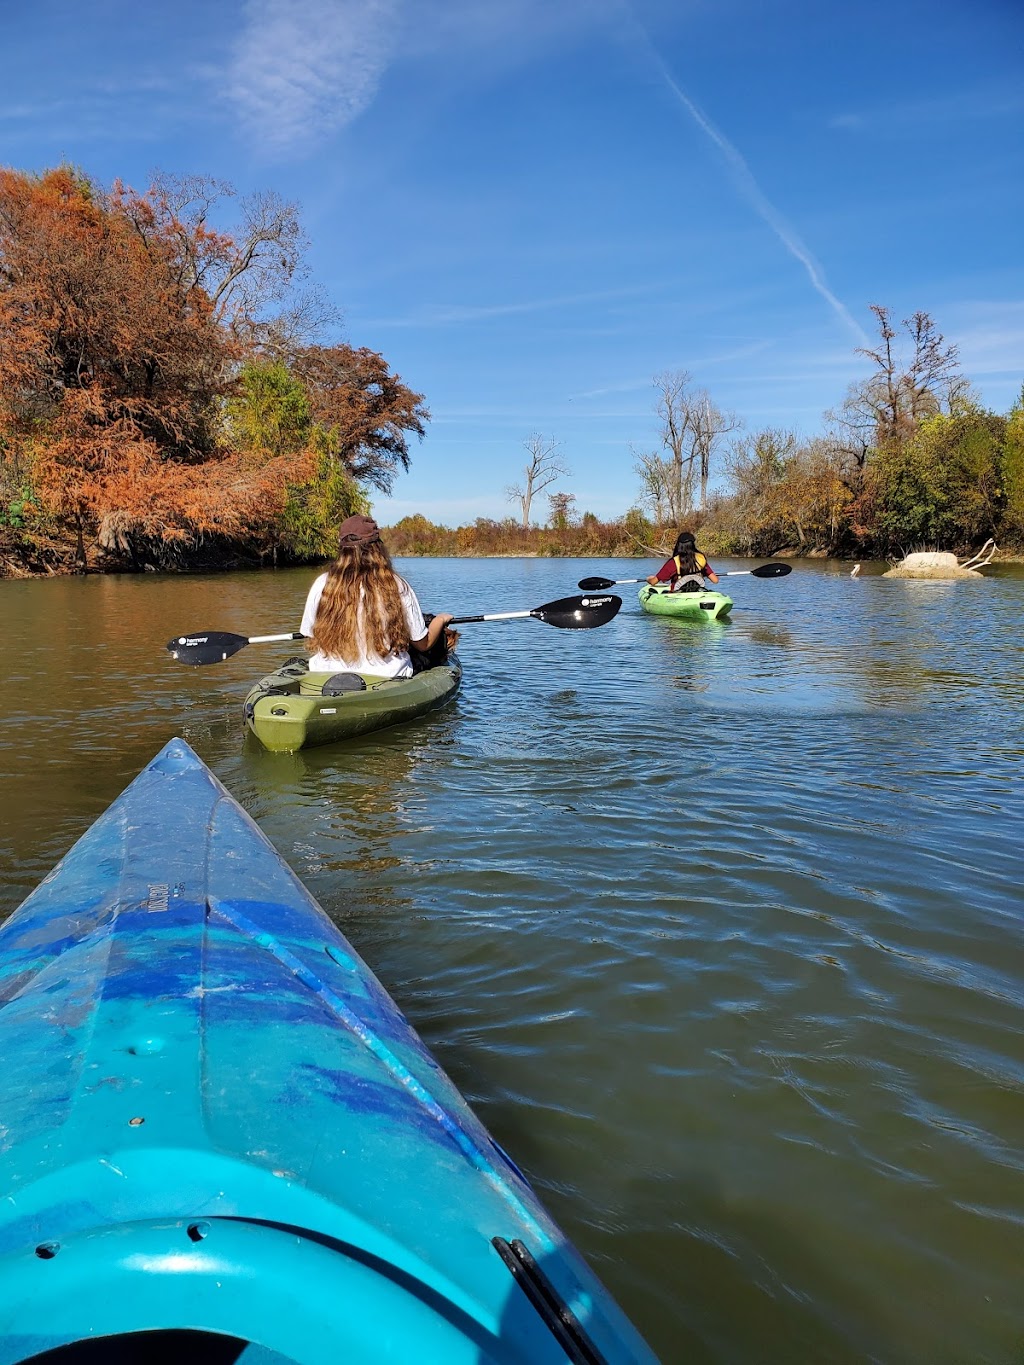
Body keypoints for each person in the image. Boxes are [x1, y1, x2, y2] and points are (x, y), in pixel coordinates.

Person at [300, 515, 453, 678]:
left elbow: (309, 633)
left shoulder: (322, 584)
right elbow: (423, 644)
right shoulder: (397, 585)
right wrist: (440, 620)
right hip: (386, 677)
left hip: (325, 677)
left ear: (342, 549)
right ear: (378, 549)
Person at [646, 530, 719, 593]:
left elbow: (653, 582)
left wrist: (649, 579)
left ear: (679, 545)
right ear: (693, 545)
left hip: (678, 596)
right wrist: (704, 574)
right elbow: (715, 580)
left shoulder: (673, 563)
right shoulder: (700, 559)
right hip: (697, 594)